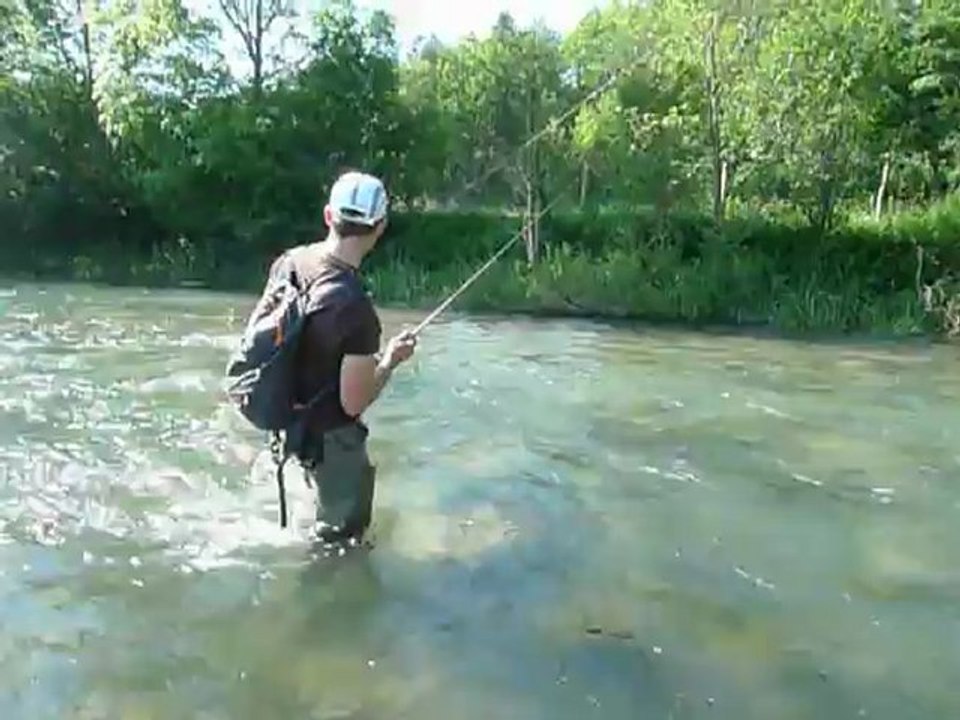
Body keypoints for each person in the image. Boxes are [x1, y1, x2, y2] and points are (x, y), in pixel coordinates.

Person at [284, 170, 416, 544]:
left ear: (329, 216)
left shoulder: (291, 262)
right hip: (329, 441)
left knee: (307, 516)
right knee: (341, 547)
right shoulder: (355, 311)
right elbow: (353, 403)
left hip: (286, 422)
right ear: (380, 227)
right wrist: (389, 360)